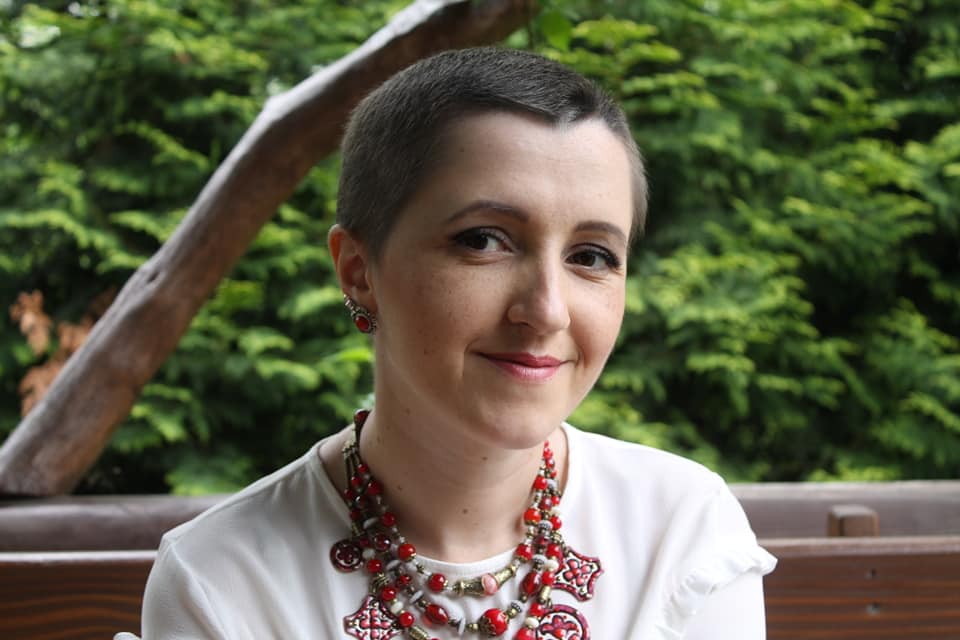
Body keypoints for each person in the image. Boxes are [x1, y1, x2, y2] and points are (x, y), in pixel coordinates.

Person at [133, 47, 776, 640]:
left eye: (591, 255)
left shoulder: (680, 534)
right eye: (483, 240)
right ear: (359, 271)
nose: (547, 310)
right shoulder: (223, 581)